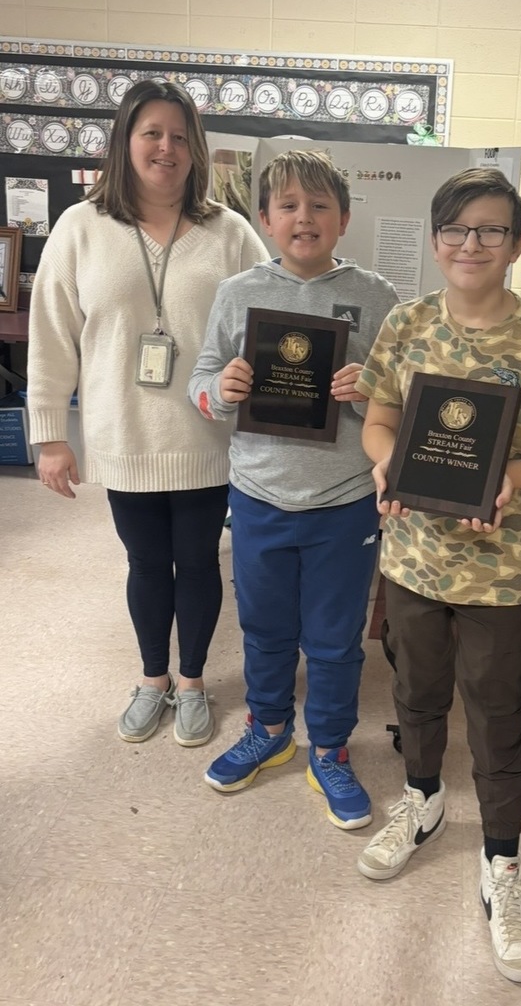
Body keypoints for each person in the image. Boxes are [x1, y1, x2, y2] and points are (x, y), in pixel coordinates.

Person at [354, 167, 521, 983]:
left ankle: (503, 864)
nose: (471, 244)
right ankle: (421, 801)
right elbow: (379, 420)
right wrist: (386, 466)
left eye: (490, 230)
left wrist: (511, 478)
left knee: (497, 713)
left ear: (517, 244)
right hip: (412, 558)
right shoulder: (407, 323)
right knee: (414, 693)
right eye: (455, 228)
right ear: (435, 237)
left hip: (498, 574)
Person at [27, 79, 267, 747]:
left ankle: (191, 682)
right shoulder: (82, 227)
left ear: (195, 150)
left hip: (205, 433)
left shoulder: (230, 232)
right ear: (124, 142)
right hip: (122, 430)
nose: (168, 148)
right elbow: (52, 334)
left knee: (197, 560)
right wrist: (49, 434)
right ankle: (152, 678)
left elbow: (270, 323)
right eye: (153, 133)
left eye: (181, 136)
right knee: (144, 561)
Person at [188, 150, 399, 830]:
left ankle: (330, 747)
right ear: (265, 219)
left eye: (318, 206)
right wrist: (220, 391)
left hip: (343, 502)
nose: (303, 218)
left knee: (336, 640)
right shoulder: (238, 291)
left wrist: (369, 391)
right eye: (287, 207)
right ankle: (270, 727)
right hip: (257, 497)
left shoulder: (378, 297)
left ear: (343, 218)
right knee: (265, 627)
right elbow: (202, 377)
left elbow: (401, 404)